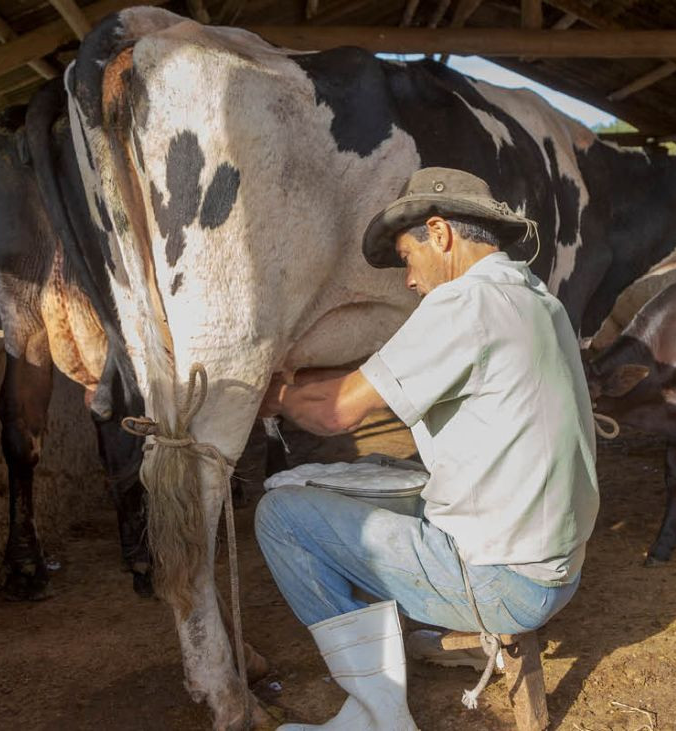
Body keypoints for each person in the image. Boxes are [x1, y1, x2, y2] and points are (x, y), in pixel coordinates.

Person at [256, 167, 599, 730]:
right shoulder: (534, 298)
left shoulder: (464, 303)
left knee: (282, 516)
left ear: (439, 233)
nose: (409, 281)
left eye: (407, 259)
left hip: (505, 583)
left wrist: (272, 395)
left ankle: (377, 709)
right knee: (377, 475)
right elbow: (376, 377)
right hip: (559, 567)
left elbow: (332, 412)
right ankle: (390, 642)